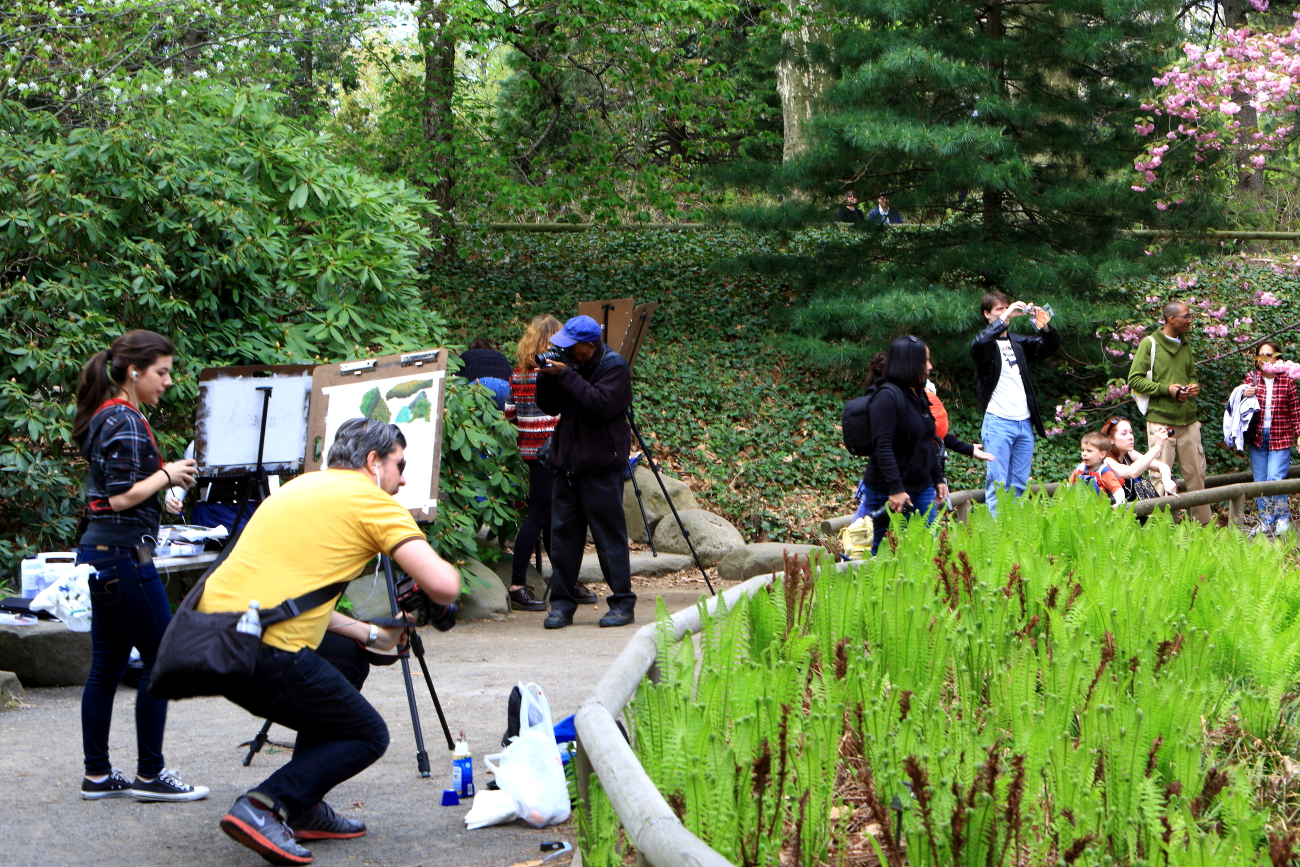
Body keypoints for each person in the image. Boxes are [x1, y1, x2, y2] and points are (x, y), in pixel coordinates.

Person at [199, 418, 461, 865]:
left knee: (348, 657)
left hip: (210, 642)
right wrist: (440, 590)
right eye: (399, 465)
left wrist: (368, 632)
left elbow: (290, 599)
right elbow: (445, 586)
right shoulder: (371, 501)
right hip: (263, 653)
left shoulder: (297, 489)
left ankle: (303, 807)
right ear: (373, 462)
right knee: (367, 734)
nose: (403, 479)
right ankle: (266, 805)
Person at [71, 330, 207, 803]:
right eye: (161, 372)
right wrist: (167, 475)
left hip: (101, 555)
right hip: (124, 559)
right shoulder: (125, 419)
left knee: (105, 668)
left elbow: (119, 492)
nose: (168, 381)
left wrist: (159, 494)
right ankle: (151, 774)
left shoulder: (109, 414)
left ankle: (97, 775)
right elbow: (118, 497)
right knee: (160, 661)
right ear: (134, 372)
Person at [535, 314, 636, 629]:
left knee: (609, 539)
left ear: (589, 346)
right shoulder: (572, 366)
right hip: (568, 466)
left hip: (601, 468)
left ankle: (622, 604)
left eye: (571, 346)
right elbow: (550, 407)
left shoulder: (614, 367)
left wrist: (566, 375)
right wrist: (546, 377)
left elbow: (600, 405)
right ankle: (562, 606)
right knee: (563, 539)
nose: (566, 351)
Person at [504, 315, 595, 611]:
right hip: (553, 452)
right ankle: (517, 586)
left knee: (551, 518)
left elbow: (509, 414)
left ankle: (563, 581)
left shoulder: (518, 374)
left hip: (530, 452)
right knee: (540, 516)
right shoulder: (554, 374)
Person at [852, 352, 993, 521]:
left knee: (918, 531)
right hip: (891, 480)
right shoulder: (886, 402)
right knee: (865, 529)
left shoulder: (915, 397)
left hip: (918, 478)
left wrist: (966, 450)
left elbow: (931, 433)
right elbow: (886, 447)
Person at [970, 292, 1061, 515]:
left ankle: (1015, 530)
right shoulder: (985, 347)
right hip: (998, 422)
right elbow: (978, 344)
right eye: (999, 309)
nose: (1006, 312)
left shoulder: (1018, 342)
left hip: (1024, 423)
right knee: (998, 485)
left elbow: (1049, 346)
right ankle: (996, 532)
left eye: (1006, 307)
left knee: (1019, 486)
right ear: (987, 314)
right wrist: (1006, 317)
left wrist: (1041, 321)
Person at [1127, 300, 1211, 526]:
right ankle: (1163, 530)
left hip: (1189, 421)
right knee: (1160, 477)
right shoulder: (1150, 344)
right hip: (1161, 423)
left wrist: (1193, 386)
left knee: (1196, 475)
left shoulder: (1186, 345)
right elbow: (1134, 380)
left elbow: (1191, 375)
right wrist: (1167, 390)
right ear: (1171, 318)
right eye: (1186, 316)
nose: (1190, 321)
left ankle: (1205, 529)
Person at [857, 336, 944, 555]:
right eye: (925, 361)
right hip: (887, 491)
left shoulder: (919, 393)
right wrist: (896, 489)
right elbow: (882, 446)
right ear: (909, 363)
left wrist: (937, 477)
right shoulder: (886, 396)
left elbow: (926, 439)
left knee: (925, 551)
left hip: (922, 486)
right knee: (879, 555)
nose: (930, 366)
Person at [1240, 341, 1300, 535]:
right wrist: (1244, 393)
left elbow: (1295, 411)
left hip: (1280, 437)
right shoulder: (1251, 378)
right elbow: (1239, 405)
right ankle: (1266, 520)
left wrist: (1299, 434)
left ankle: (1282, 518)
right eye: (1261, 355)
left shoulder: (1287, 381)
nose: (1265, 359)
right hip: (1257, 438)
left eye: (1270, 354)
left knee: (1275, 478)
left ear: (1277, 358)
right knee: (1260, 481)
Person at [1099, 417, 1174, 506]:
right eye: (1124, 433)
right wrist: (1157, 447)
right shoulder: (1106, 461)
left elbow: (1162, 466)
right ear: (1110, 439)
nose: (1130, 437)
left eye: (1131, 432)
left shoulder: (1129, 453)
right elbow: (1131, 472)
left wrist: (1167, 480)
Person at [1068, 432, 1126, 506]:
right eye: (1083, 450)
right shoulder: (1080, 468)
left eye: (1089, 451)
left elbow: (1117, 490)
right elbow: (1069, 485)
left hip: (1099, 509)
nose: (1084, 454)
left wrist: (1119, 505)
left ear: (1102, 454)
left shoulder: (1104, 472)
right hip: (1077, 507)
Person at [458, 337, 513, 411]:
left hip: (479, 385)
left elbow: (456, 379)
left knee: (474, 415)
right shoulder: (501, 355)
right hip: (504, 385)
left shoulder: (467, 355)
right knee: (506, 417)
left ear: (471, 349)